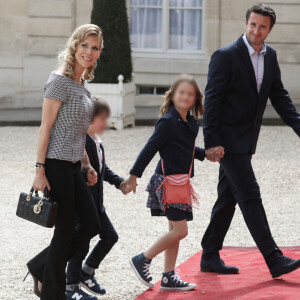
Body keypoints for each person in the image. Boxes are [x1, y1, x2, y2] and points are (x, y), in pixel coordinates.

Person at [201, 4, 300, 278]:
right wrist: (211, 142)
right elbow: (212, 101)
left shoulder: (271, 57)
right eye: (253, 25)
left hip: (247, 142)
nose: (256, 31)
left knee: (227, 198)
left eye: (263, 27)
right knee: (250, 196)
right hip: (227, 144)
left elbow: (278, 95)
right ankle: (274, 258)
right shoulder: (225, 56)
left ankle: (209, 254)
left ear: (270, 29)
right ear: (246, 23)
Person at [25, 24, 105, 300]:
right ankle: (53, 293)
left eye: (95, 48)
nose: (89, 52)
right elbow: (45, 127)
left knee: (92, 224)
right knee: (65, 231)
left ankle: (40, 267)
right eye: (85, 45)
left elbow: (78, 131)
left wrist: (86, 164)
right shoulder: (58, 80)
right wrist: (39, 171)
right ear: (74, 46)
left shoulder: (82, 84)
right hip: (55, 165)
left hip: (73, 166)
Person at [124, 75, 220, 291]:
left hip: (182, 182)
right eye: (181, 92)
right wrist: (133, 175)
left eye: (190, 94)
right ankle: (142, 259)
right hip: (167, 183)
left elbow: (185, 149)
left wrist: (207, 154)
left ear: (195, 99)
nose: (185, 96)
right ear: (173, 96)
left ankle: (168, 277)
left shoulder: (191, 123)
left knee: (173, 231)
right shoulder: (167, 121)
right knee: (180, 231)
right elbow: (149, 148)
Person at [65, 97, 132, 300]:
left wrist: (120, 182)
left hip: (97, 204)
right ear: (89, 119)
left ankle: (87, 272)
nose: (106, 123)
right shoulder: (82, 142)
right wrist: (86, 176)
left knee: (110, 236)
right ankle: (70, 288)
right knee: (81, 244)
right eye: (102, 118)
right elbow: (75, 171)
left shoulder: (97, 142)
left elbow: (103, 170)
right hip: (83, 205)